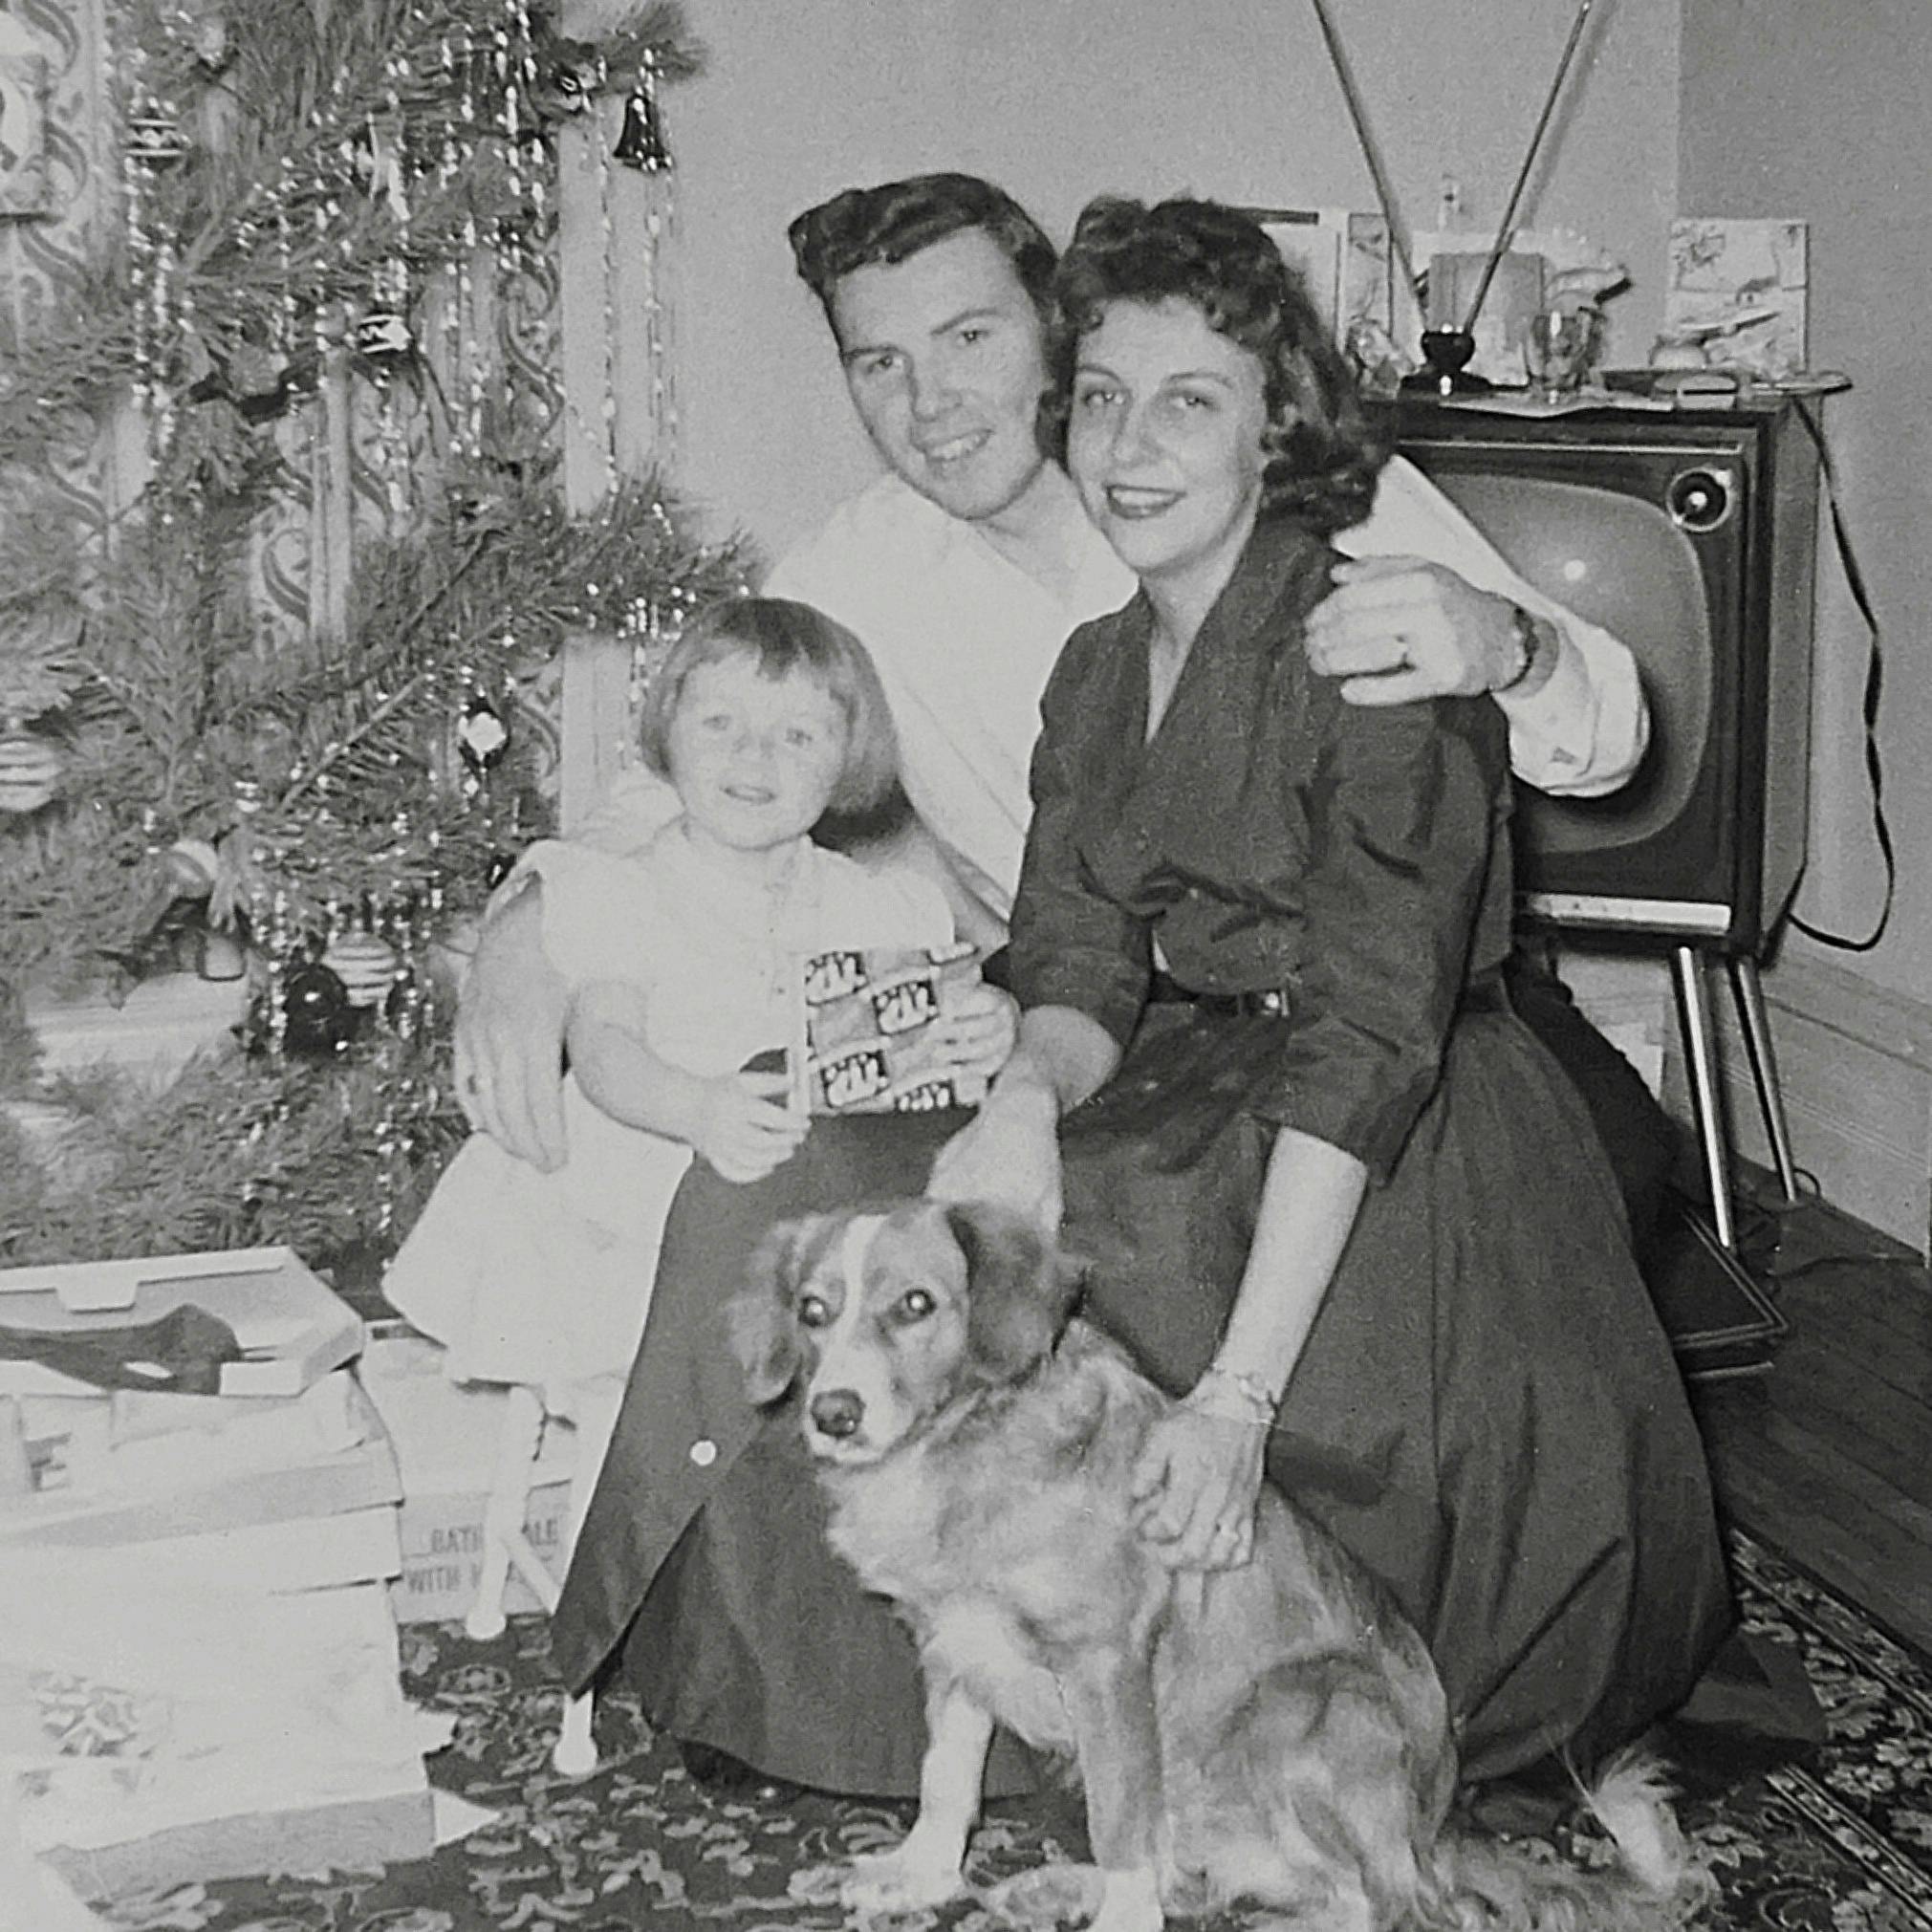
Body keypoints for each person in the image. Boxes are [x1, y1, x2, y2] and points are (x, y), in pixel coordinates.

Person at [540, 194, 1775, 1812]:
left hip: (1390, 1108)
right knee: (874, 1206)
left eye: (1185, 401)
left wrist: (1237, 1400)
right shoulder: (1084, 659)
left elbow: (1375, 1020)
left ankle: (1184, 1674)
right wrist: (1027, 1100)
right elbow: (1070, 952)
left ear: (1278, 425)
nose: (1124, 439)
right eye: (1105, 400)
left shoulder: (1372, 618)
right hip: (1177, 1058)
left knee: (1087, 1272)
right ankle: (849, 1683)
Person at [453, 174, 1674, 1255]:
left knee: (1586, 1201)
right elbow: (674, 778)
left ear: (1052, 331)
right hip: (1078, 1029)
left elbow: (1609, 733)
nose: (929, 402)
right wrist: (531, 925)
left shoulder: (1290, 482)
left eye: (968, 335)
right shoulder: (856, 568)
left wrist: (1507, 646)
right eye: (878, 364)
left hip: (1390, 1018)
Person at [384, 597, 1009, 1417]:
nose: (755, 756)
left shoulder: (875, 905)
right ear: (667, 733)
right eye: (720, 722)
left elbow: (918, 1028)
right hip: (642, 1204)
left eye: (798, 736)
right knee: (651, 1398)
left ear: (845, 759)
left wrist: (981, 1024)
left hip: (809, 1228)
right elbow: (603, 1046)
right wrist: (696, 1108)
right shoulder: (628, 891)